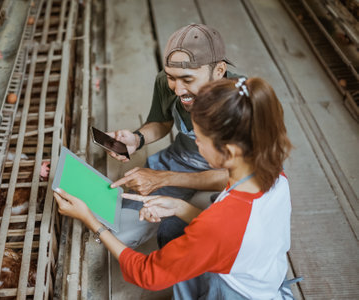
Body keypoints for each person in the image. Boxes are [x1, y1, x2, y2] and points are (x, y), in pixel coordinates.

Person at [54, 77, 296, 299]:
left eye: (199, 139)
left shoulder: (218, 226)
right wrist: (179, 206)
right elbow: (236, 236)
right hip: (264, 275)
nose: (196, 145)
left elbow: (147, 274)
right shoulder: (274, 174)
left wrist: (89, 220)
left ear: (229, 152)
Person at [107, 24, 242, 248]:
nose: (178, 90)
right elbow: (162, 122)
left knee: (179, 239)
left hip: (224, 178)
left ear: (219, 70)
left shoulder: (243, 102)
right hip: (180, 161)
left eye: (188, 80)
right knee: (118, 232)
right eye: (171, 78)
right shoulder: (168, 82)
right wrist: (136, 139)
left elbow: (234, 176)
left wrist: (163, 179)